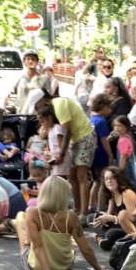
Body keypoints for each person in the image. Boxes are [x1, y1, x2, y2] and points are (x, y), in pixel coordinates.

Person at [14, 176, 106, 270]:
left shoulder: (32, 212)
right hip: (64, 266)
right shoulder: (71, 216)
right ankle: (30, 239)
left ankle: (27, 239)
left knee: (21, 216)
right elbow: (85, 248)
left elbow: (38, 247)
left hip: (37, 267)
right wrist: (97, 267)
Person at [29, 89, 96, 225]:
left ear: (41, 100)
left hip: (83, 136)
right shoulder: (53, 109)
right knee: (72, 176)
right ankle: (77, 209)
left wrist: (61, 153)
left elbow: (67, 131)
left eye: (36, 106)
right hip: (74, 139)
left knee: (81, 176)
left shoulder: (59, 104)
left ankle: (83, 213)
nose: (37, 110)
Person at [92, 167, 136, 251]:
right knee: (92, 219)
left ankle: (106, 240)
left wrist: (111, 218)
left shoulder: (127, 193)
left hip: (132, 228)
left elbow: (134, 219)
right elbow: (108, 214)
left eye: (112, 178)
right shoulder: (113, 194)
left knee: (111, 233)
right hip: (119, 224)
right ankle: (107, 240)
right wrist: (102, 219)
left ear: (119, 179)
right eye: (106, 179)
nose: (109, 181)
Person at [87, 94, 116, 214]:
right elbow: (104, 140)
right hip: (101, 155)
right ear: (103, 107)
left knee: (95, 181)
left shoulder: (91, 120)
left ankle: (90, 205)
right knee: (102, 182)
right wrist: (110, 155)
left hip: (92, 155)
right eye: (108, 107)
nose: (109, 110)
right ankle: (100, 206)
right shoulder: (102, 121)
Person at [112, 115, 136, 194]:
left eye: (120, 126)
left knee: (129, 185)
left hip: (127, 168)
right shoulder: (127, 137)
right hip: (130, 165)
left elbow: (123, 156)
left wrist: (120, 170)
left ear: (126, 127)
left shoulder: (123, 140)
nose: (117, 128)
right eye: (115, 125)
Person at [37, 105, 71, 179]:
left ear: (49, 118)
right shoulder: (50, 130)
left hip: (61, 158)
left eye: (43, 122)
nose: (42, 124)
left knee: (60, 179)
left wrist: (58, 157)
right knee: (57, 178)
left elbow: (60, 145)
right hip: (55, 158)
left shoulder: (57, 128)